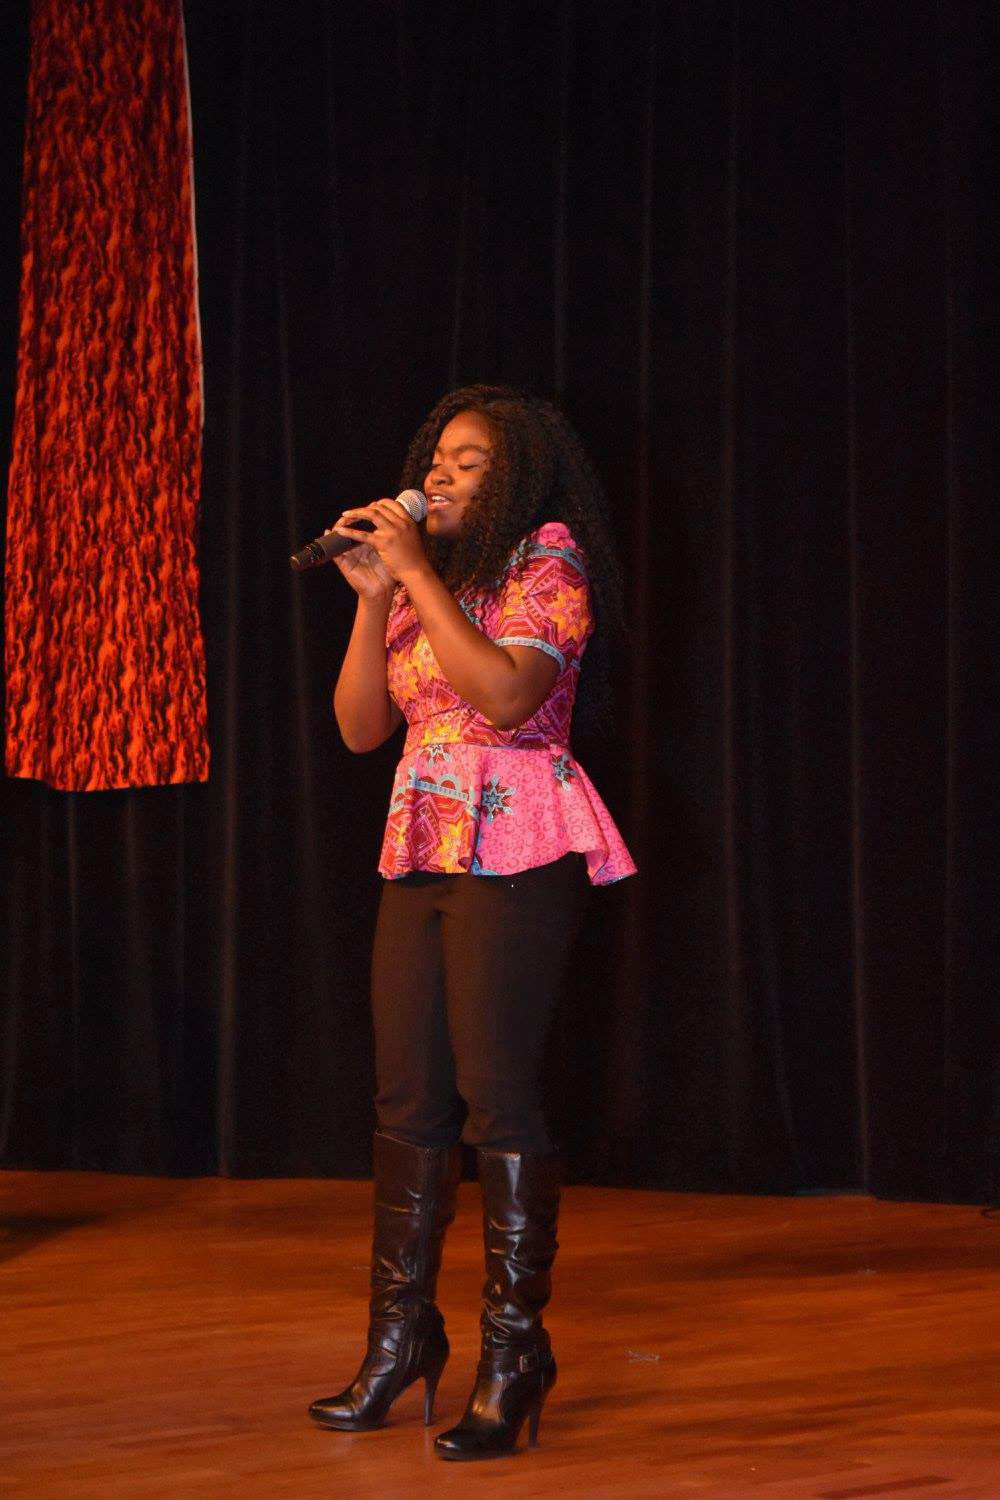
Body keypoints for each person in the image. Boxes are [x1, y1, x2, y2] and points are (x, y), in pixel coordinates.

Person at [307, 384, 636, 1460]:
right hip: (421, 841)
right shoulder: (425, 584)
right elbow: (361, 728)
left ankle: (512, 1354)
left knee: (498, 1096)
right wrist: (374, 596)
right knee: (406, 1096)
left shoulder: (548, 562)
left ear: (517, 477)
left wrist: (412, 574)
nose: (438, 475)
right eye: (435, 459)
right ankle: (400, 1339)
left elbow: (503, 698)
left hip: (518, 839)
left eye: (468, 461)